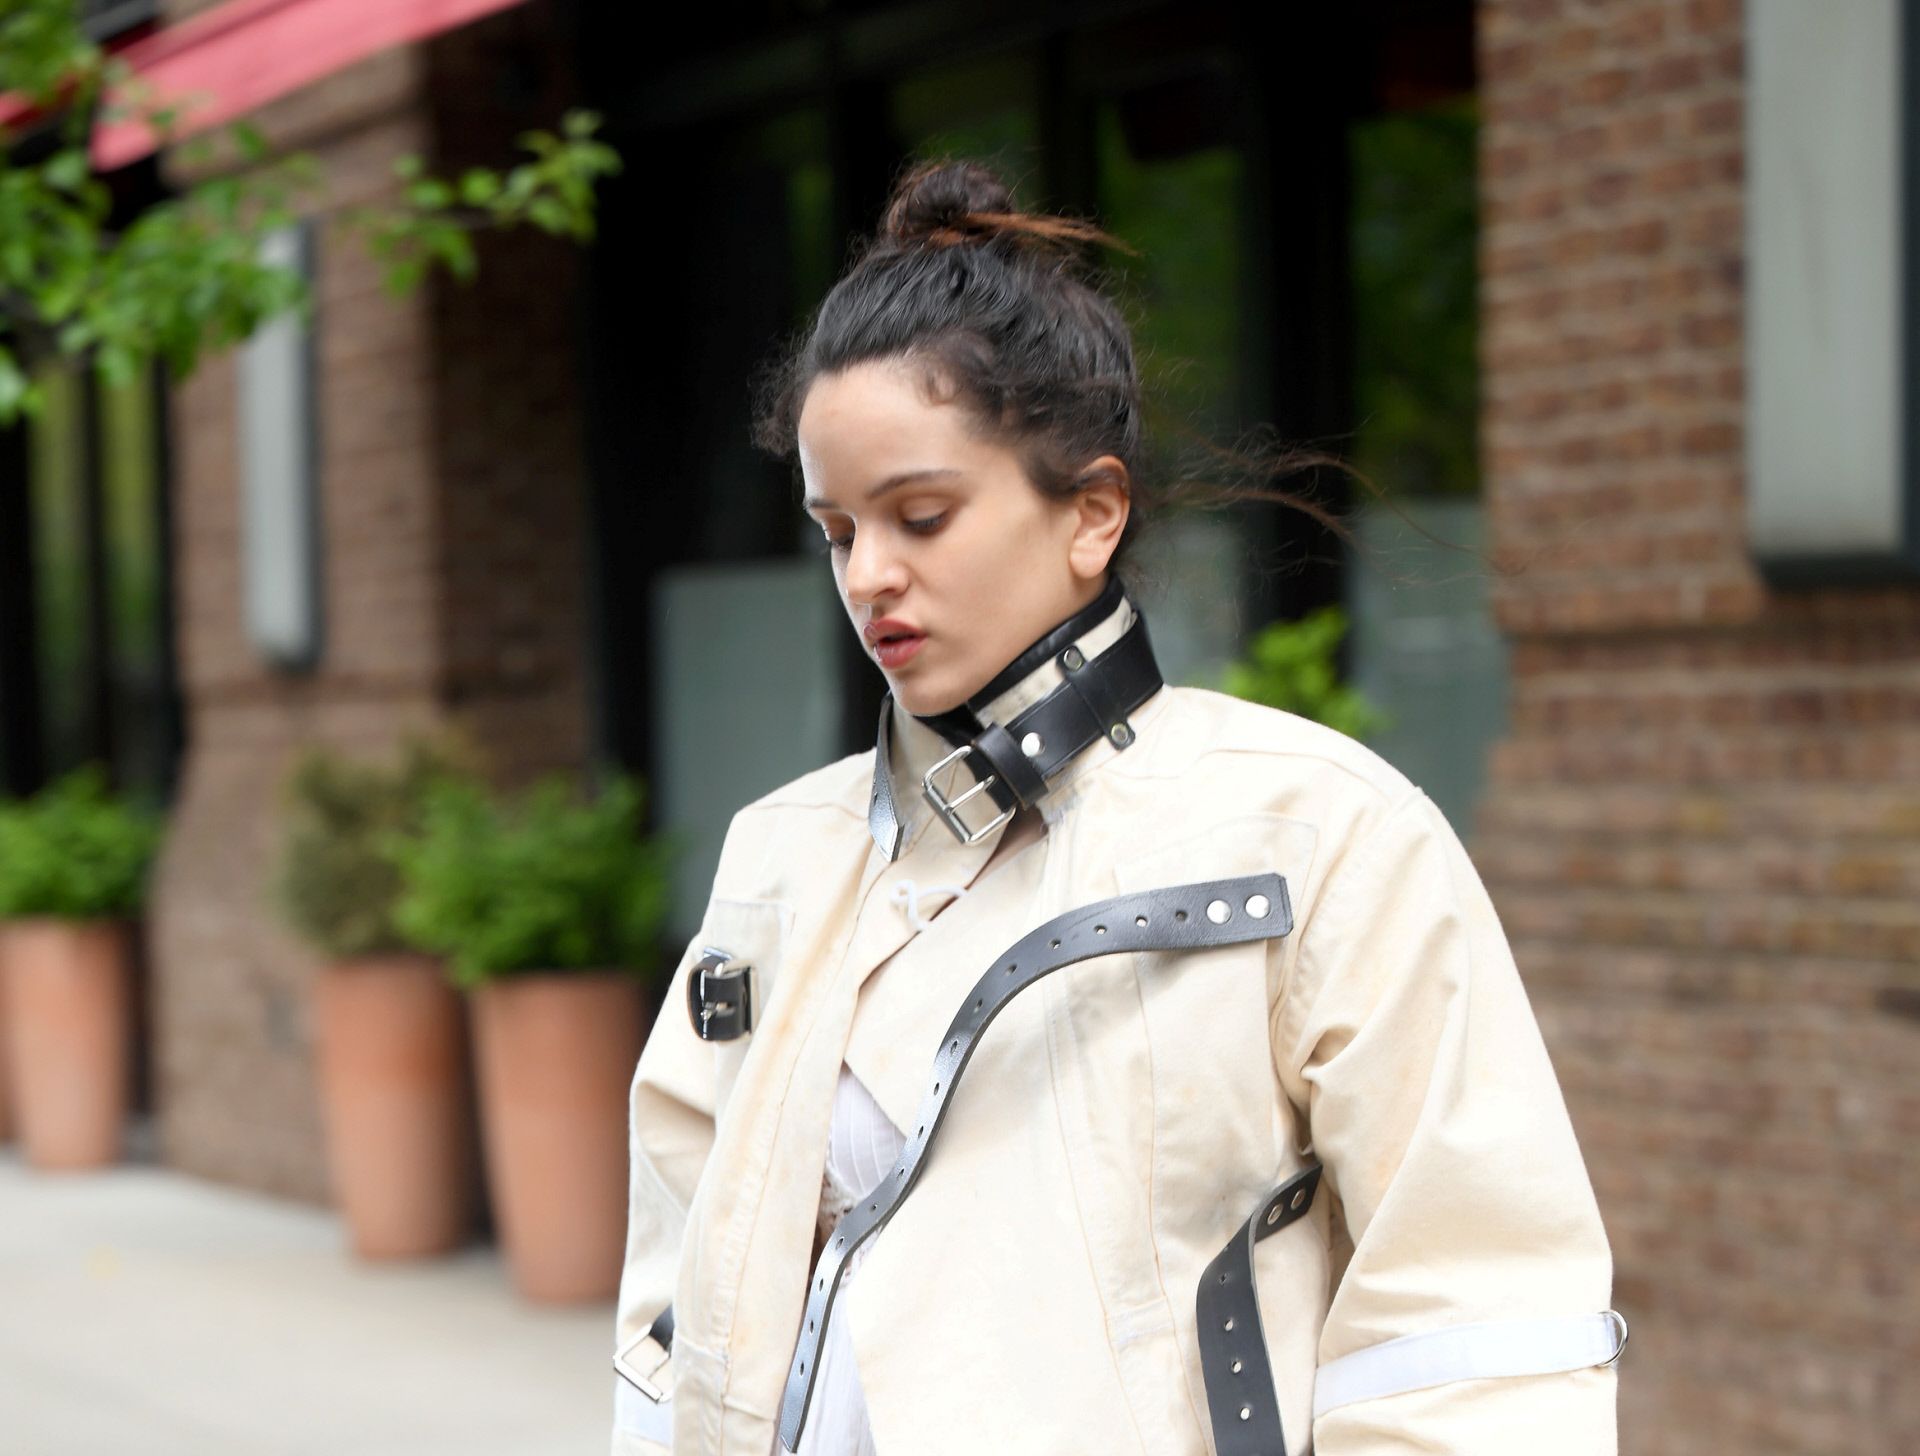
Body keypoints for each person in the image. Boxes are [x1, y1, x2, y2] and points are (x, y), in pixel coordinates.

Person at [610, 159, 1622, 1456]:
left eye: (920, 515)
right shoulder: (781, 855)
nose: (870, 575)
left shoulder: (1319, 832)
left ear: (1091, 512)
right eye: (836, 530)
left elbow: (1479, 1316)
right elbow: (673, 1300)